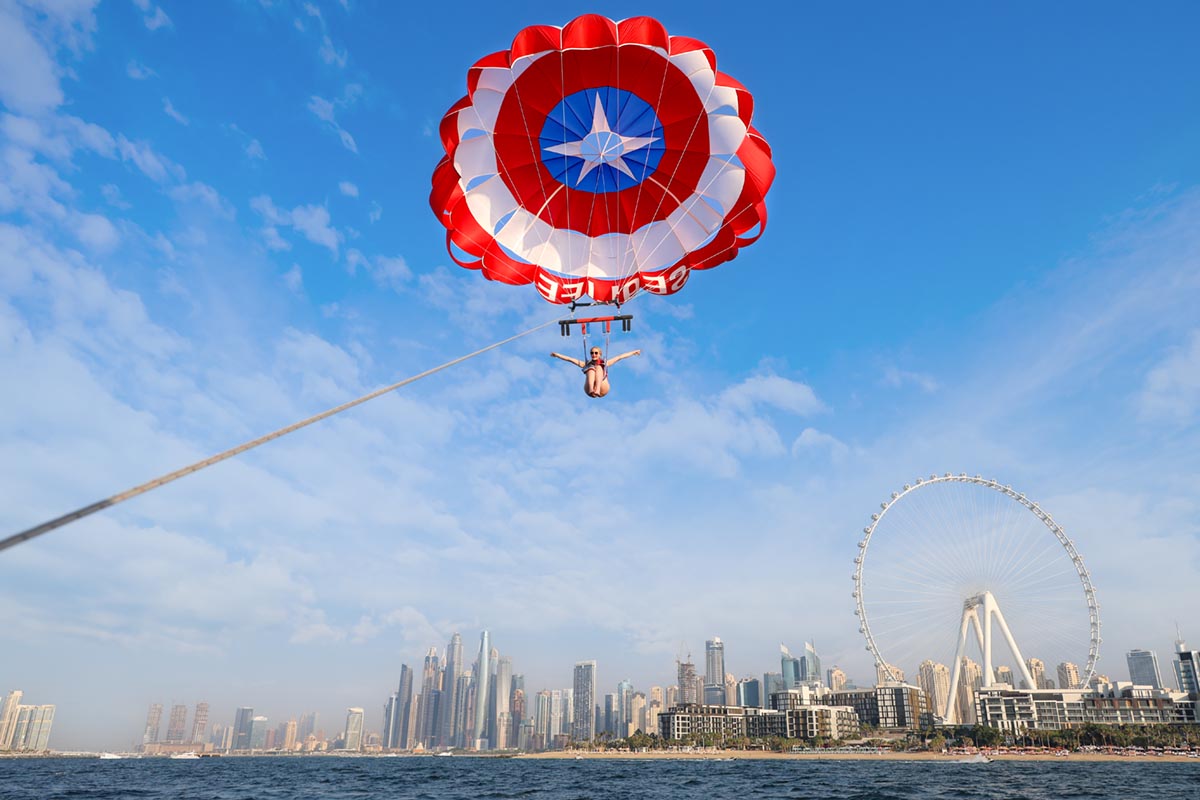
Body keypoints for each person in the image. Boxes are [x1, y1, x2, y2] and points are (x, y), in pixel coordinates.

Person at [550, 346, 641, 398]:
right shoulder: (585, 364)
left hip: (602, 388)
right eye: (592, 353)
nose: (594, 354)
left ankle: (597, 389)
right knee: (591, 369)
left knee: (598, 367)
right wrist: (557, 355)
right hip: (589, 390)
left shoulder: (605, 362)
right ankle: (592, 389)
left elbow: (620, 357)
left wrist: (633, 352)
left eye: (596, 353)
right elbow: (570, 359)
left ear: (600, 354)